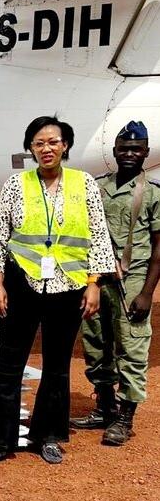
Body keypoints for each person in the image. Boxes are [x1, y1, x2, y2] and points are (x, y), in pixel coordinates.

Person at [0, 116, 115, 469]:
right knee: (10, 363)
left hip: (69, 284)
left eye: (53, 141)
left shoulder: (84, 185)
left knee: (56, 366)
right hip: (23, 281)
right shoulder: (16, 185)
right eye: (38, 143)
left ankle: (47, 436)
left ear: (65, 145)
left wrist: (95, 283)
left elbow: (98, 234)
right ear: (30, 148)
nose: (46, 148)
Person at [73, 121, 160, 446]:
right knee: (96, 345)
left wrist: (147, 294)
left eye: (136, 149)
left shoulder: (152, 193)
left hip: (132, 283)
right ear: (114, 151)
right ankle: (105, 407)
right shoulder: (95, 188)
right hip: (96, 280)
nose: (129, 154)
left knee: (132, 349)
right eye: (123, 148)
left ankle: (125, 417)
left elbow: (158, 248)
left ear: (145, 153)